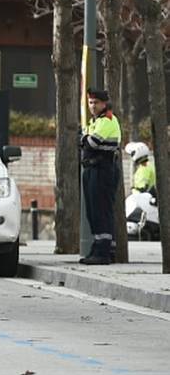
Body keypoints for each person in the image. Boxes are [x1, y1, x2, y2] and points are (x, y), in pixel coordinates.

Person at [80, 89, 122, 265]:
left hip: (103, 169)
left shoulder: (107, 120)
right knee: (93, 211)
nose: (92, 106)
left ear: (104, 104)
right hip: (93, 169)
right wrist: (84, 140)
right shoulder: (95, 121)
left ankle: (103, 253)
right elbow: (84, 143)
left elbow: (90, 143)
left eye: (95, 102)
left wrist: (83, 139)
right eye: (90, 102)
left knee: (100, 211)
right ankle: (100, 248)